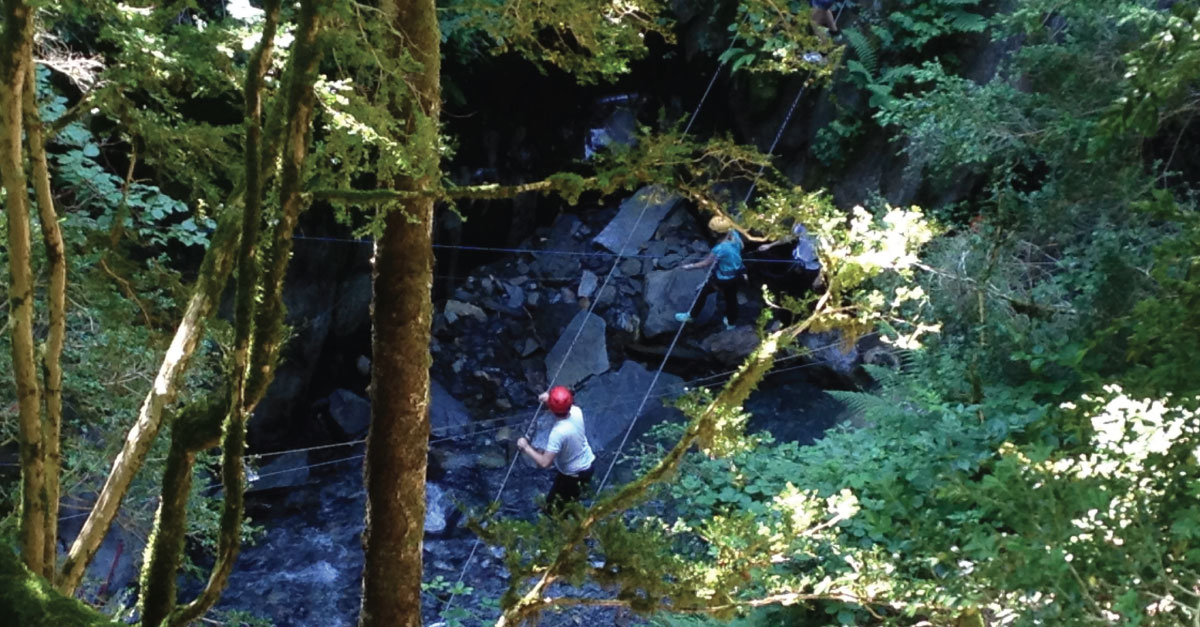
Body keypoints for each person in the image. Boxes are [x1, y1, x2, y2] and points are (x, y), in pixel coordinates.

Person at [516, 386, 596, 513]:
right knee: (570, 500)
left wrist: (526, 447)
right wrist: (550, 399)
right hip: (587, 464)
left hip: (573, 476)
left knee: (554, 509)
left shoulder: (558, 433)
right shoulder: (576, 412)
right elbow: (565, 404)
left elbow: (544, 463)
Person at [675, 215, 746, 331]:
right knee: (731, 299)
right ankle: (731, 323)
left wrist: (690, 266)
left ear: (715, 233)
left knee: (702, 291)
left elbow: (705, 263)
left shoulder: (719, 249)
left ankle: (691, 316)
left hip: (723, 279)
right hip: (737, 274)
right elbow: (742, 246)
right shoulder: (735, 234)